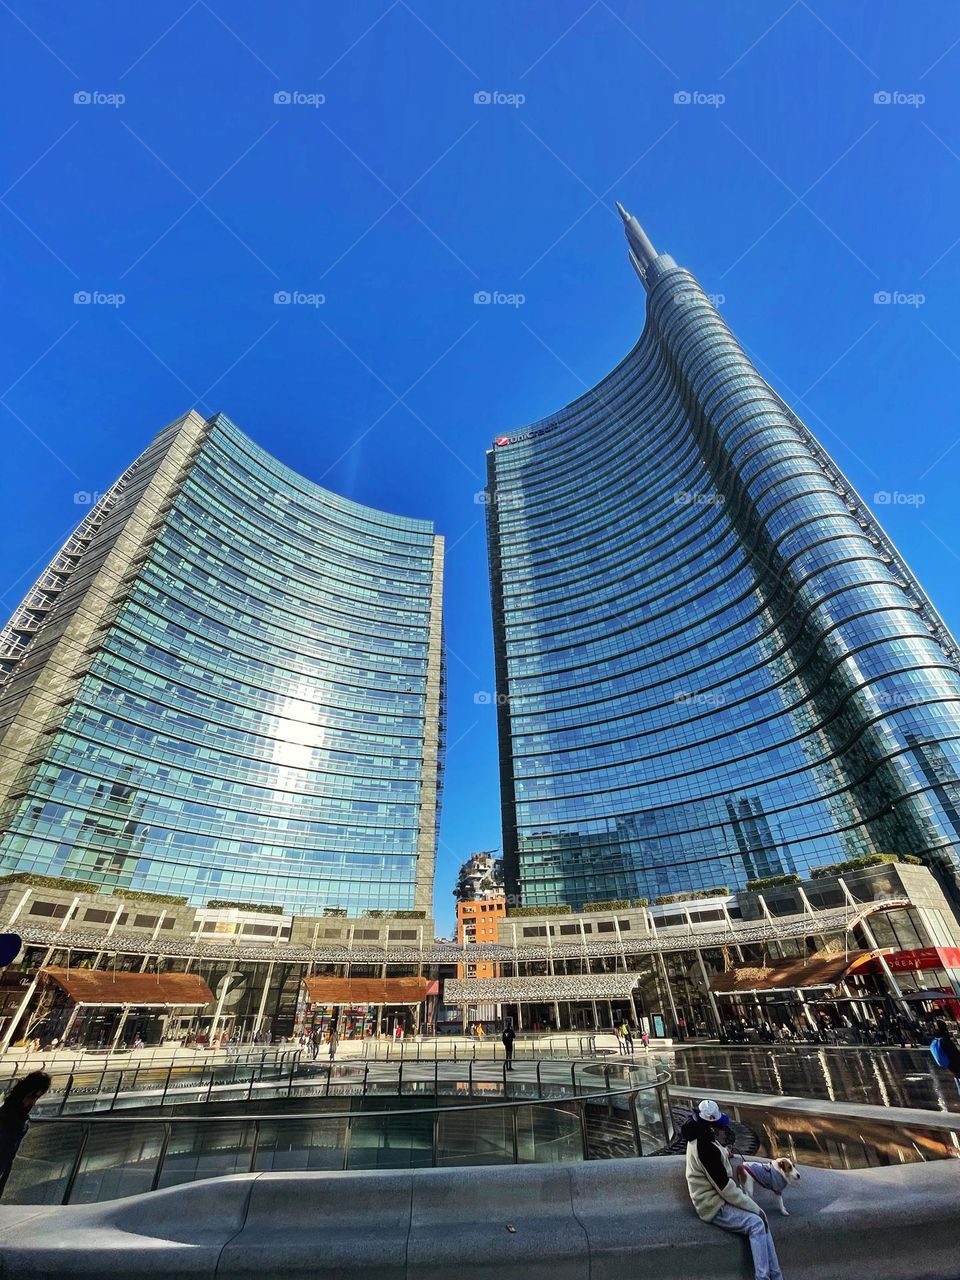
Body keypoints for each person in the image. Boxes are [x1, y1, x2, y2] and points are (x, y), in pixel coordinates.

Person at [682, 1099, 784, 1280]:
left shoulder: (701, 1136)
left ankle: (776, 1276)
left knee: (761, 1219)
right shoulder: (705, 1148)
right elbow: (725, 1188)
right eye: (719, 1126)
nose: (722, 1130)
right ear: (712, 1125)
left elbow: (715, 1155)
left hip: (716, 1199)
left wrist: (725, 1152)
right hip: (713, 1206)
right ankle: (764, 1277)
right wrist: (754, 1207)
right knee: (757, 1222)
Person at [0, 1071, 51, 1200]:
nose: (32, 1103)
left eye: (36, 1098)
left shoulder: (20, 1118)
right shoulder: (9, 1118)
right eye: (31, 1096)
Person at [930, 1020, 960, 1095]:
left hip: (950, 1064)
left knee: (957, 1079)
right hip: (955, 1063)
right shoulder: (945, 1039)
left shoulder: (936, 1038)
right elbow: (954, 1053)